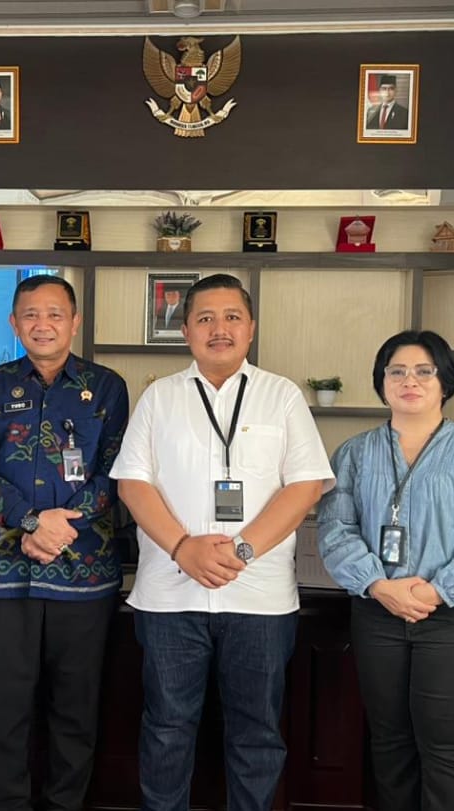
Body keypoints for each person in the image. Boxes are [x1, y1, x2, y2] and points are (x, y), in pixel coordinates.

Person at [111, 273, 333, 811]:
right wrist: (182, 548)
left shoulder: (281, 396)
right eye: (205, 318)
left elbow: (305, 486)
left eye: (232, 317)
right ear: (185, 330)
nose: (219, 329)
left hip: (259, 599)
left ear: (250, 328)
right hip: (171, 596)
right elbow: (132, 484)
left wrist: (242, 550)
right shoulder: (159, 397)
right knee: (166, 728)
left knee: (257, 732)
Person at [318, 329, 454, 811]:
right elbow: (335, 530)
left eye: (424, 371)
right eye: (397, 371)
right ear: (382, 382)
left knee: (446, 749)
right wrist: (378, 585)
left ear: (445, 381)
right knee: (389, 743)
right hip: (377, 614)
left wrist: (432, 592)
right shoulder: (353, 453)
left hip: (451, 619)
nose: (410, 381)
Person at [0, 275, 129, 811]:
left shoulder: (106, 386)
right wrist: (31, 522)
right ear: (14, 323)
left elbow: (119, 472)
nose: (43, 324)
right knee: (5, 708)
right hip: (2, 573)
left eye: (55, 314)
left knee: (75, 709)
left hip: (83, 571)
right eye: (31, 314)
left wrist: (58, 529)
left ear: (75, 322)